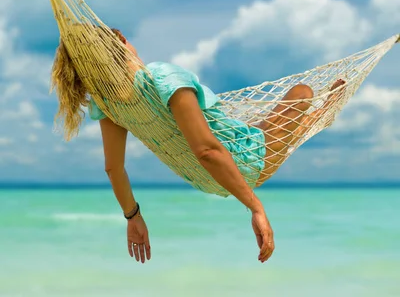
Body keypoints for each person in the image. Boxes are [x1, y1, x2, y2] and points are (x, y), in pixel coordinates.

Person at [51, 27, 345, 265]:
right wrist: (255, 207)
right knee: (302, 92)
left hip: (210, 182)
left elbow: (114, 168)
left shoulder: (108, 106)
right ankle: (322, 112)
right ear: (124, 42)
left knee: (263, 125)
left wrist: (133, 216)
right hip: (247, 163)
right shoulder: (163, 77)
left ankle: (319, 115)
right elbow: (207, 150)